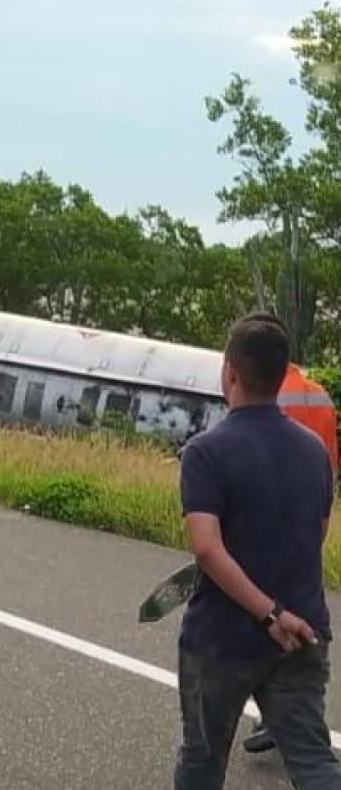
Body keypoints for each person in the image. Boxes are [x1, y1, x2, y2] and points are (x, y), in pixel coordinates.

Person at [174, 311, 341, 789]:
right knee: (313, 762)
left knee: (203, 762)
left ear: (230, 371)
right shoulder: (314, 451)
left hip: (224, 638)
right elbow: (316, 531)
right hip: (304, 629)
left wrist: (268, 614)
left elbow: (206, 549)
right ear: (281, 374)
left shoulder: (206, 452)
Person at [243, 323, 340, 755]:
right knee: (302, 610)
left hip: (269, 514)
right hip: (310, 510)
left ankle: (278, 718)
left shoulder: (263, 390)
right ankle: (295, 716)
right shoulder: (319, 395)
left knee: (264, 614)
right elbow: (331, 462)